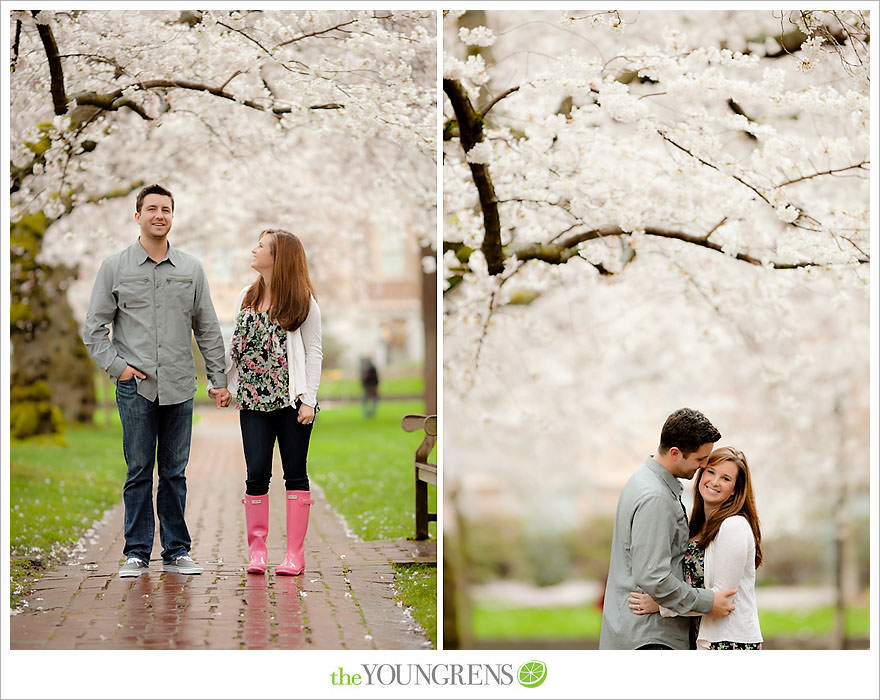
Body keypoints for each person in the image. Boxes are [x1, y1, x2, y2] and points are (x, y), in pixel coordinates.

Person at [83, 183, 231, 578]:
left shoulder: (190, 268)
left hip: (180, 386)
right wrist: (119, 368)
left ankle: (177, 551)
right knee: (138, 470)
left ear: (172, 216)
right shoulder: (114, 267)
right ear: (138, 216)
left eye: (166, 209)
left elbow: (207, 327)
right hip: (135, 388)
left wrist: (218, 378)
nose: (159, 215)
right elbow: (94, 329)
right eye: (151, 209)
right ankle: (135, 552)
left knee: (174, 473)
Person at [214, 229, 322, 576]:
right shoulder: (247, 295)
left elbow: (313, 351)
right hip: (253, 400)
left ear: (278, 257)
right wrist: (225, 384)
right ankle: (257, 552)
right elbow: (238, 345)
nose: (254, 249)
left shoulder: (303, 300)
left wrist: (308, 399)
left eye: (260, 246)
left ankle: (294, 555)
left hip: (291, 402)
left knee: (295, 475)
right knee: (256, 475)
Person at [599, 407, 737, 649]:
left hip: (641, 632)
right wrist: (708, 602)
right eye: (699, 459)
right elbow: (654, 577)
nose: (704, 466)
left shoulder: (643, 480)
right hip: (650, 637)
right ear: (675, 453)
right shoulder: (656, 498)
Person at [627, 446, 764, 649]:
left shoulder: (733, 525)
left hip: (729, 641)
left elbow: (721, 599)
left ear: (736, 488)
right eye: (711, 472)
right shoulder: (697, 526)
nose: (715, 482)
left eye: (726, 479)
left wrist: (661, 605)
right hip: (705, 637)